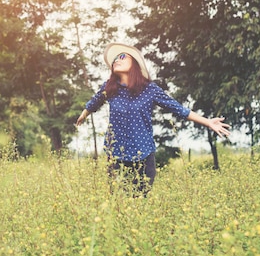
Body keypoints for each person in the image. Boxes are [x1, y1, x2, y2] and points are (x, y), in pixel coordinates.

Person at [76, 42, 230, 195]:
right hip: (116, 156)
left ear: (135, 63)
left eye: (122, 56)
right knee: (118, 202)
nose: (117, 60)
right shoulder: (109, 88)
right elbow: (94, 102)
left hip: (143, 155)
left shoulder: (149, 89)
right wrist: (83, 114)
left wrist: (208, 122)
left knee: (140, 203)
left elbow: (178, 109)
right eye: (115, 58)